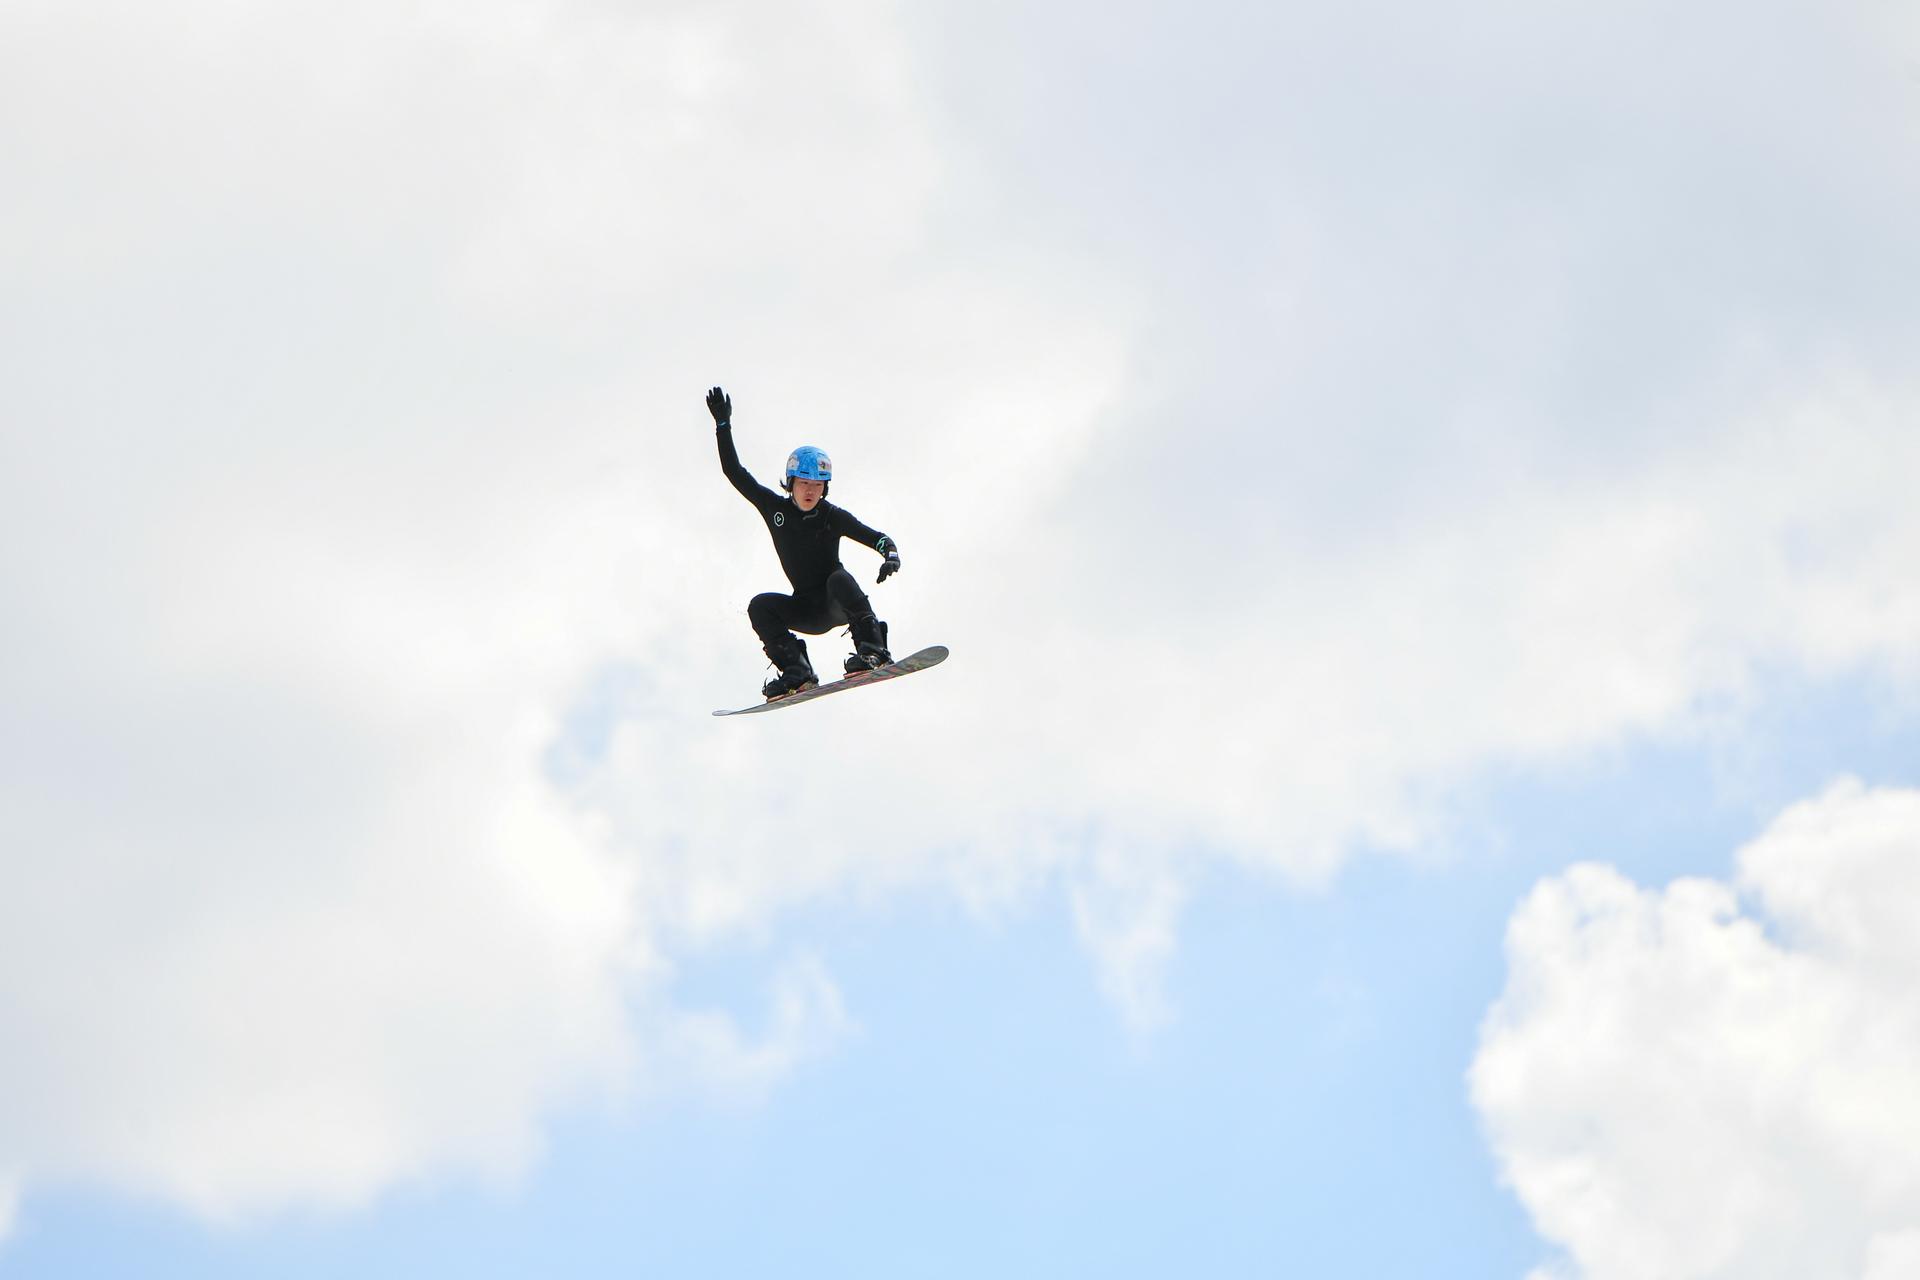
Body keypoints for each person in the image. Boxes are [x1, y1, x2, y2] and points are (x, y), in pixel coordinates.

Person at [706, 385, 901, 700]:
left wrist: (890, 555)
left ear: (825, 488)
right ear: (791, 483)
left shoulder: (832, 516)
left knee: (838, 577)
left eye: (817, 485)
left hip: (837, 603)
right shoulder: (775, 509)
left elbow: (877, 537)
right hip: (806, 611)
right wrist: (723, 425)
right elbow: (734, 473)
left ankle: (874, 648)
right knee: (760, 606)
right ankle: (798, 672)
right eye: (804, 484)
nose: (810, 491)